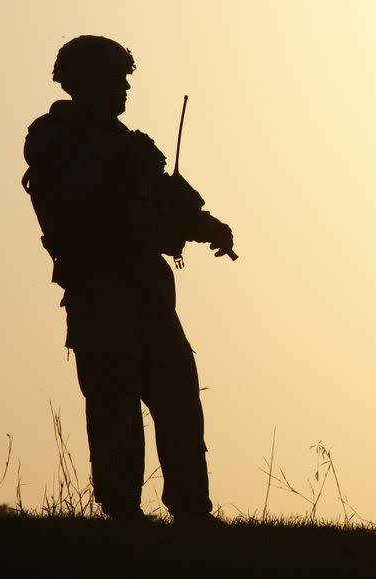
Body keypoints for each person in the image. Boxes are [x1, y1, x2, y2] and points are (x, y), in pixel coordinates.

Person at [21, 35, 235, 523]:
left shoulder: (131, 147)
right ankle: (122, 511)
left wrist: (205, 225)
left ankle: (192, 511)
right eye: (117, 79)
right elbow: (81, 203)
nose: (124, 89)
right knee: (114, 401)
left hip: (148, 290)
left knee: (178, 396)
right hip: (99, 289)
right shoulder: (55, 137)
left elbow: (159, 206)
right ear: (89, 82)